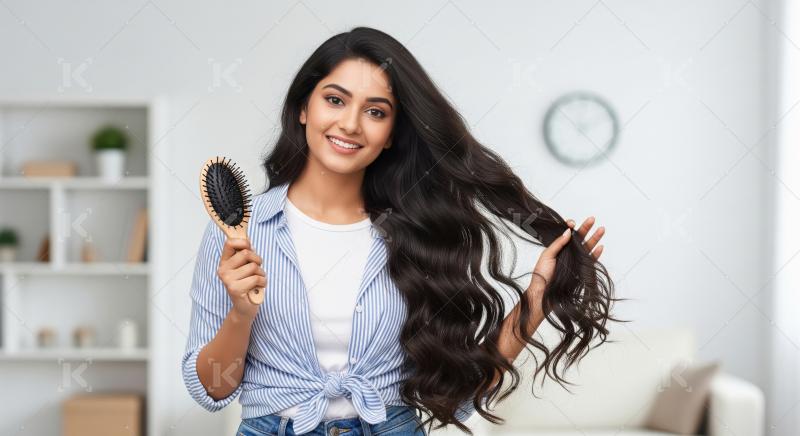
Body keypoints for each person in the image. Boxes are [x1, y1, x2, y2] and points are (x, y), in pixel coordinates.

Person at [182, 27, 619, 436]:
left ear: (391, 133)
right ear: (303, 108)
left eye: (375, 111)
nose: (350, 124)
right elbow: (213, 389)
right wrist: (241, 313)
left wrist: (539, 297)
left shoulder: (418, 234)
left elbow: (460, 397)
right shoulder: (240, 230)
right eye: (335, 100)